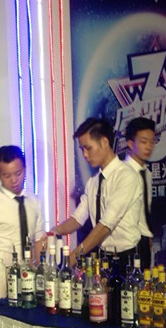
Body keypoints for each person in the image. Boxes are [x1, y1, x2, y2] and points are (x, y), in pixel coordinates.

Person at [51, 117, 142, 274]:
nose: (85, 155)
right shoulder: (93, 182)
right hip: (101, 258)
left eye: (88, 148)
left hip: (125, 260)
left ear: (104, 142)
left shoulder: (127, 177)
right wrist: (53, 232)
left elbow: (106, 225)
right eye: (82, 150)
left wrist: (72, 257)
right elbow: (78, 218)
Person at [123, 117, 156, 267]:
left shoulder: (147, 173)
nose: (149, 147)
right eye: (143, 141)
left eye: (152, 142)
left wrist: (148, 235)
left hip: (144, 239)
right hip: (127, 241)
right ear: (131, 144)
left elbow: (145, 209)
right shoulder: (122, 173)